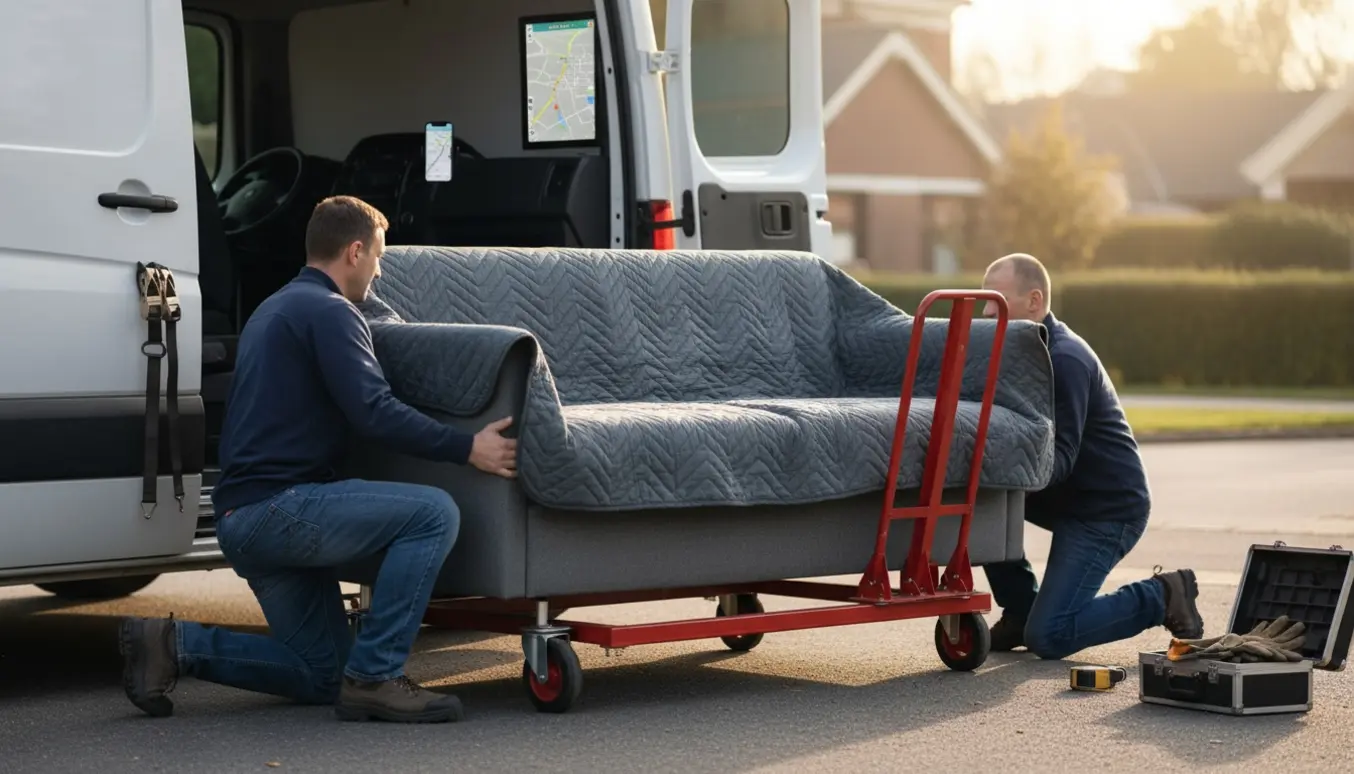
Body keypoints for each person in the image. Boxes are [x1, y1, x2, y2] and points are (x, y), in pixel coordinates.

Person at [118, 196, 518, 723]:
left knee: (323, 673)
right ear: (354, 252)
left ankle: (174, 644)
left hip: (244, 519)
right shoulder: (331, 313)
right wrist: (467, 447)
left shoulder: (276, 306)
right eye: (377, 257)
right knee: (432, 514)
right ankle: (377, 677)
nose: (377, 272)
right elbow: (374, 411)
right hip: (278, 510)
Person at [978, 253, 1204, 659]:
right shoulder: (1017, 352)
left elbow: (1061, 458)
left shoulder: (1064, 360)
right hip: (1067, 500)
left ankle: (1163, 595)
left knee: (1050, 636)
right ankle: (1021, 612)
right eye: (982, 303)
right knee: (981, 502)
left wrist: (1002, 478)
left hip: (1106, 510)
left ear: (1033, 301)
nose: (984, 313)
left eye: (995, 303)